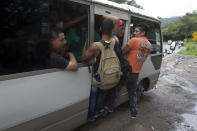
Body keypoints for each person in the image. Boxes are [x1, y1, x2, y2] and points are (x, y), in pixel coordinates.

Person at [82, 18, 119, 121]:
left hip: (98, 75)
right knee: (101, 95)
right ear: (112, 31)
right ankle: (98, 112)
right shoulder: (113, 41)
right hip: (107, 75)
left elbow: (84, 57)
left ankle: (91, 116)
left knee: (93, 96)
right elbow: (111, 37)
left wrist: (86, 41)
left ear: (100, 29)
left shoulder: (96, 46)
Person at [122, 24, 152, 118]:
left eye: (136, 31)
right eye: (134, 31)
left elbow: (123, 51)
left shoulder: (134, 40)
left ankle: (108, 109)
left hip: (126, 72)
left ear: (143, 33)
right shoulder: (149, 45)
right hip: (136, 73)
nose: (134, 33)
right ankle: (134, 113)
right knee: (132, 93)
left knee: (115, 90)